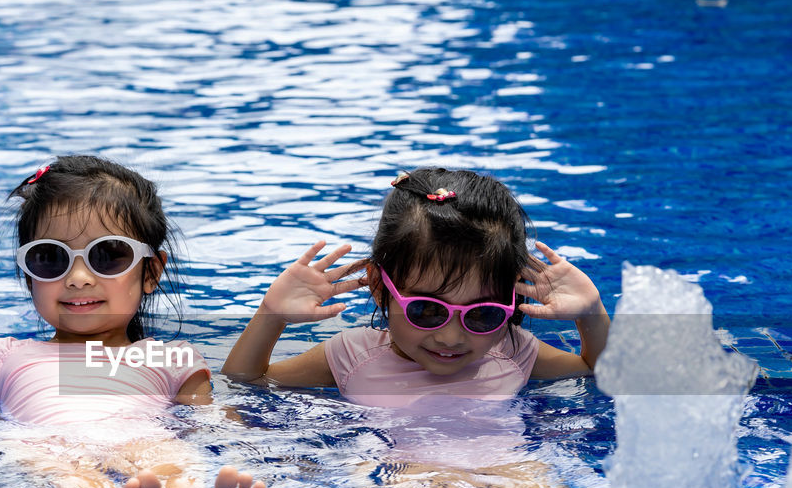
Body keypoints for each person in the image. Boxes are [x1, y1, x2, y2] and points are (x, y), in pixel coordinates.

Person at [0, 156, 283, 488]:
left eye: (108, 255)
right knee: (69, 475)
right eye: (50, 257)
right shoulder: (2, 355)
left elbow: (205, 425)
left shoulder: (172, 359)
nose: (78, 277)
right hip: (44, 441)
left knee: (171, 468)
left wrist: (259, 450)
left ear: (151, 272)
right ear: (28, 273)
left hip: (143, 436)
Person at [221, 167, 610, 405]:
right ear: (380, 288)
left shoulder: (514, 351)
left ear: (512, 298)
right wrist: (271, 316)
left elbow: (606, 375)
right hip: (400, 478)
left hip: (506, 473)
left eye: (484, 315)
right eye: (427, 310)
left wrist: (591, 313)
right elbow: (245, 383)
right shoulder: (348, 355)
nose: (452, 337)